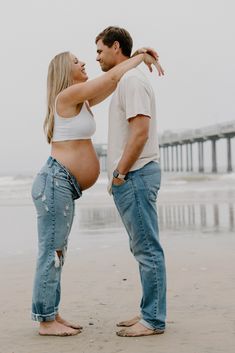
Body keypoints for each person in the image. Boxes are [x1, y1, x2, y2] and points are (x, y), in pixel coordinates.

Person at [31, 48, 159, 336]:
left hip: (63, 185)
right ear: (66, 71)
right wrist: (141, 55)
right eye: (77, 61)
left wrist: (134, 59)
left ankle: (52, 313)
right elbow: (113, 75)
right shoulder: (66, 97)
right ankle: (45, 321)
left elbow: (113, 81)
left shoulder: (83, 100)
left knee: (58, 250)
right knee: (51, 251)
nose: (85, 62)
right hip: (55, 182)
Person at [95, 26, 167, 337]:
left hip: (135, 174)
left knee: (147, 249)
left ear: (115, 47)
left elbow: (140, 131)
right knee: (143, 248)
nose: (96, 57)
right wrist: (140, 56)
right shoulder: (127, 78)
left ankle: (152, 319)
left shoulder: (133, 81)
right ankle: (147, 311)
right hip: (133, 175)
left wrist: (120, 173)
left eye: (99, 50)